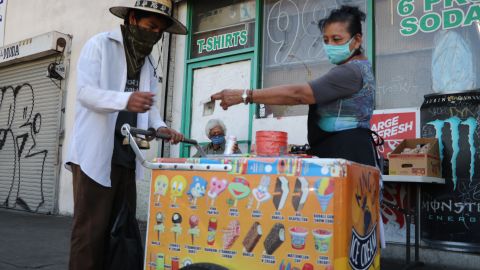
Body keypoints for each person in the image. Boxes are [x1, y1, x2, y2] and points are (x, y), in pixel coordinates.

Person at [64, 1, 186, 269]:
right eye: (150, 26)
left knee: (120, 231)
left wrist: (161, 127)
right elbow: (85, 93)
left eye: (160, 31)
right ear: (132, 19)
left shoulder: (148, 63)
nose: (154, 35)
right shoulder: (100, 45)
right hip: (94, 156)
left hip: (127, 157)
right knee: (90, 233)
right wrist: (125, 100)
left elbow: (150, 110)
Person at [211, 6, 380, 167]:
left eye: (337, 39)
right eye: (326, 40)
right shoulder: (357, 68)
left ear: (357, 40)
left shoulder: (350, 72)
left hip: (348, 156)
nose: (330, 46)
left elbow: (298, 94)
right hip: (344, 154)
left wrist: (245, 95)